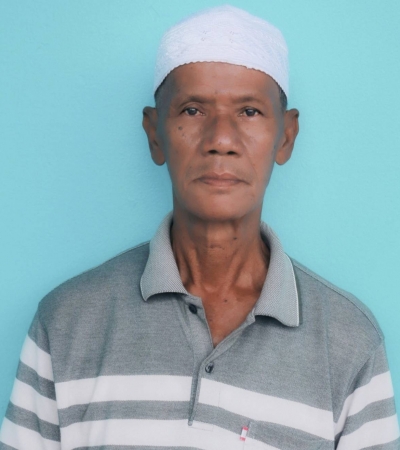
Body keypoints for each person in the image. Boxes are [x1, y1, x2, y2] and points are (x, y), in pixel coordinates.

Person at [0, 5, 398, 450]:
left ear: (285, 137)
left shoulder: (349, 344)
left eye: (249, 111)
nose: (221, 141)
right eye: (192, 110)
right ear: (155, 134)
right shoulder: (66, 323)